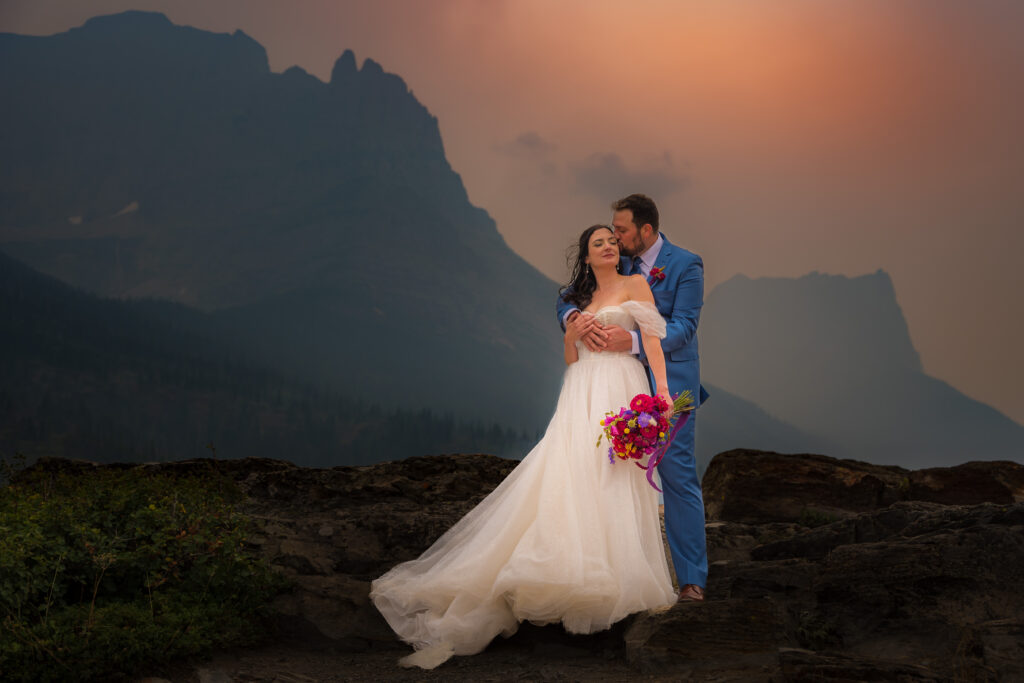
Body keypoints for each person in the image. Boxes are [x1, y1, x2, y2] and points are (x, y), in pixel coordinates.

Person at [370, 225, 676, 669]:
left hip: (621, 383)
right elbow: (571, 358)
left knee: (617, 471)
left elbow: (651, 342)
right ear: (587, 258)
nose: (609, 246)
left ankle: (617, 576)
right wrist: (572, 335)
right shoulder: (578, 301)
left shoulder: (635, 284)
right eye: (599, 243)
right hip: (581, 387)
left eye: (612, 240)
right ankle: (570, 568)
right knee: (573, 468)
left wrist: (662, 392)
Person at [556, 193, 708, 603]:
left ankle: (692, 580)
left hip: (666, 387)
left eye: (620, 230)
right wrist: (572, 319)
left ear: (645, 229)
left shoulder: (685, 264)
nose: (615, 238)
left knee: (676, 477)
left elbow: (684, 327)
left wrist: (634, 342)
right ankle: (613, 571)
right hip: (610, 385)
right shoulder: (615, 260)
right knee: (606, 473)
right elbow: (569, 294)